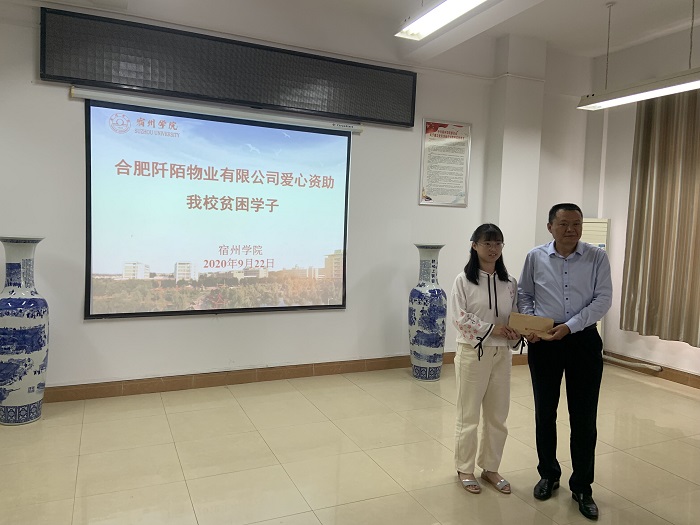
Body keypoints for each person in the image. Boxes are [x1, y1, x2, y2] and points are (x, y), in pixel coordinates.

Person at [518, 203, 612, 521]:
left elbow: (603, 298)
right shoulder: (535, 257)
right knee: (545, 412)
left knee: (584, 417)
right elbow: (525, 294)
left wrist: (570, 326)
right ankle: (548, 474)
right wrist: (531, 325)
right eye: (563, 224)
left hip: (583, 339)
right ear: (550, 227)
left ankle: (582, 487)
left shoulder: (597, 257)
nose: (571, 229)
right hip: (544, 342)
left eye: (576, 224)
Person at [450, 223, 521, 495]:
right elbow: (459, 318)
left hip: (502, 354)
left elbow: (515, 314)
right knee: (468, 414)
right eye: (487, 243)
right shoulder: (463, 280)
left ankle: (491, 468)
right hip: (472, 352)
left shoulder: (509, 282)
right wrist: (492, 329)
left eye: (498, 243)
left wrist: (515, 331)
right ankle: (464, 468)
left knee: (497, 415)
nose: (493, 249)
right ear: (474, 245)